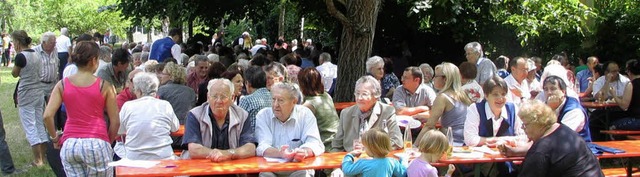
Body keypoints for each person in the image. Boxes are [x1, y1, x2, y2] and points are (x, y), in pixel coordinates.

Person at [43, 41, 120, 176]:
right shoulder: (105, 86)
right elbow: (115, 121)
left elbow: (47, 115)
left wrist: (55, 138)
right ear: (93, 60)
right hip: (96, 142)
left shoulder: (62, 84)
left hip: (70, 143)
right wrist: (108, 140)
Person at [499, 100, 603, 177]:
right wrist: (517, 152)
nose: (523, 129)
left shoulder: (540, 150)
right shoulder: (565, 131)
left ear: (537, 123)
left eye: (525, 125)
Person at [331, 76, 403, 177]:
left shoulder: (387, 112)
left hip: (376, 168)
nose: (359, 98)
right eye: (357, 93)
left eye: (364, 94)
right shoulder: (346, 113)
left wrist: (371, 150)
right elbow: (336, 146)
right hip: (350, 169)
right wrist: (337, 168)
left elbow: (397, 141)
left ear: (376, 96)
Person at [255, 82, 324, 177]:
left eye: (281, 100)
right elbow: (262, 146)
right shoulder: (263, 115)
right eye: (273, 99)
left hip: (299, 167)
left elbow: (315, 143)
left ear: (294, 101)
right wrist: (280, 153)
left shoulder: (305, 114)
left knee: (303, 174)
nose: (275, 105)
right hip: (271, 168)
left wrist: (304, 152)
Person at [182, 79, 256, 162]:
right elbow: (194, 150)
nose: (219, 101)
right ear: (208, 97)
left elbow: (250, 148)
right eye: (214, 96)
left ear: (232, 98)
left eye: (223, 97)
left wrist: (228, 154)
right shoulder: (195, 115)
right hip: (200, 170)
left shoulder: (242, 115)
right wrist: (218, 155)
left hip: (231, 170)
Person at [115, 72, 180, 160]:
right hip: (163, 156)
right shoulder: (165, 105)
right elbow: (175, 128)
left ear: (139, 91)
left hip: (135, 158)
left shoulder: (128, 106)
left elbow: (119, 130)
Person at [11, 30, 48, 166]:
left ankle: (37, 160)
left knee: (30, 127)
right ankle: (43, 157)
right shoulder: (37, 54)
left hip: (26, 94)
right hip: (39, 92)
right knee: (39, 124)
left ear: (18, 42)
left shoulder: (21, 57)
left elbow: (15, 74)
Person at [416, 62, 472, 146]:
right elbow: (455, 119)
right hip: (467, 143)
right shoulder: (463, 95)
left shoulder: (443, 97)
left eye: (436, 76)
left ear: (445, 79)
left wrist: (413, 147)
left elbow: (429, 126)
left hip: (452, 144)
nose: (433, 79)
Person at [297, 68, 339, 152]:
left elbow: (297, 129)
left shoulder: (308, 105)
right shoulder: (326, 96)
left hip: (325, 145)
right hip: (336, 141)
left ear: (302, 84)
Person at [341, 129, 407, 177]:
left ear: (371, 148)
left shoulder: (363, 163)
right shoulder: (392, 162)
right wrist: (403, 160)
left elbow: (347, 170)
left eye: (365, 147)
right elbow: (403, 173)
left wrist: (349, 155)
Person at [609, 60, 640, 130]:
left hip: (635, 119)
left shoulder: (631, 84)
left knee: (610, 124)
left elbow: (624, 106)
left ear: (629, 71)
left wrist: (614, 95)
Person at [239, 66, 272, 131]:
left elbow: (239, 122)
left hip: (252, 139)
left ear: (248, 83)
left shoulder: (247, 100)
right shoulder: (274, 97)